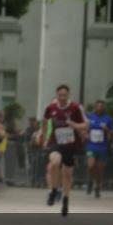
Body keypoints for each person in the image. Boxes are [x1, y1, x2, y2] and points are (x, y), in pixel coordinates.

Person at [36, 84, 87, 217]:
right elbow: (45, 121)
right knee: (54, 162)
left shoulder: (76, 107)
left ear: (68, 95)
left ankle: (65, 201)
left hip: (70, 145)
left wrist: (75, 125)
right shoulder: (51, 108)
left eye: (65, 95)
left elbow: (86, 124)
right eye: (60, 95)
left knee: (67, 175)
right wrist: (43, 135)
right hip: (56, 141)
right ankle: (53, 191)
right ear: (57, 95)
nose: (62, 97)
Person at [84, 100, 113, 198]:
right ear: (95, 107)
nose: (100, 108)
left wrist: (107, 130)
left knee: (100, 169)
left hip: (102, 146)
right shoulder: (90, 117)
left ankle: (97, 187)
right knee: (91, 165)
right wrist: (85, 134)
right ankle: (90, 180)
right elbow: (84, 128)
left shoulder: (108, 119)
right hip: (91, 145)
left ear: (104, 108)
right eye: (98, 106)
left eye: (102, 106)